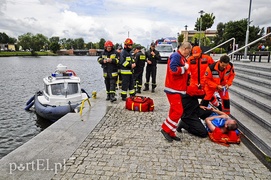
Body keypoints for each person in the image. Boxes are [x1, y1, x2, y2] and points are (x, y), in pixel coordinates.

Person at [160, 42, 192, 142]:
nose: (189, 53)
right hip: (173, 89)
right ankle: (165, 129)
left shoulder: (180, 57)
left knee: (174, 111)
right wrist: (184, 68)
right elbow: (173, 70)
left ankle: (171, 132)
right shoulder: (176, 56)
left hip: (177, 89)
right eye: (189, 51)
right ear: (185, 48)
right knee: (178, 111)